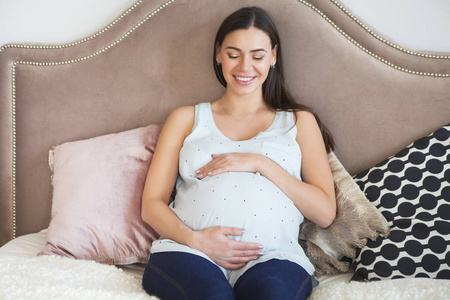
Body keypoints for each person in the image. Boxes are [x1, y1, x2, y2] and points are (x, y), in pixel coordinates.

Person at [141, 6, 336, 300]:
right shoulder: (186, 118)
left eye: (257, 56)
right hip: (188, 253)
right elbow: (151, 204)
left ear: (273, 56)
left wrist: (260, 163)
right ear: (219, 54)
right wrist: (196, 241)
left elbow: (324, 212)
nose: (245, 66)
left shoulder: (298, 121)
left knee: (272, 294)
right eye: (234, 54)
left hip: (274, 257)